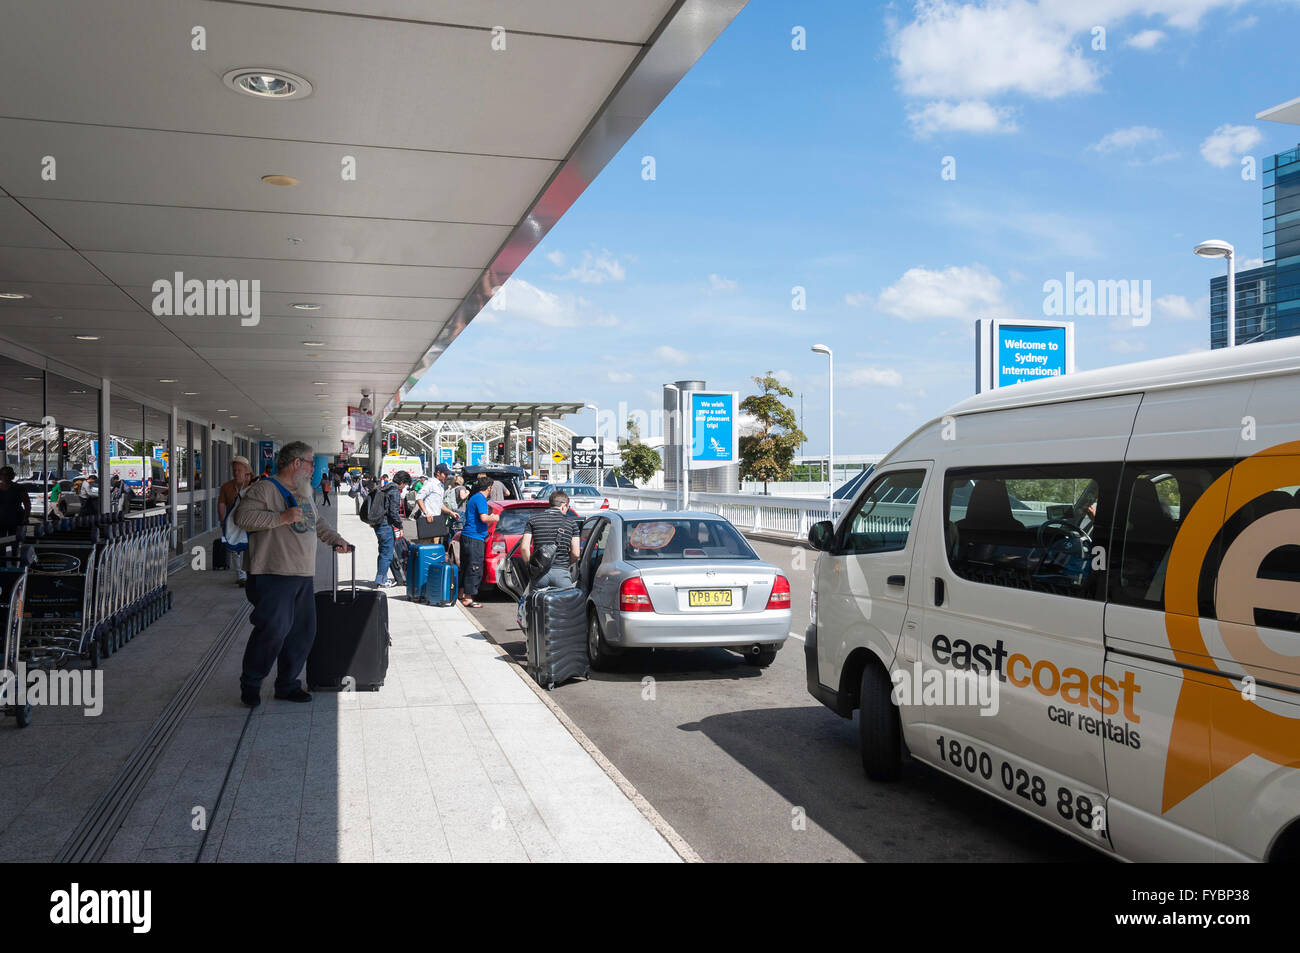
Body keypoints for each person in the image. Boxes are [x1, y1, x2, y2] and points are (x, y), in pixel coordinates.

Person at [233, 441, 352, 707]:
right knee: (274, 630)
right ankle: (251, 683)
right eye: (310, 463)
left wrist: (335, 539)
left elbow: (316, 522)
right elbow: (243, 518)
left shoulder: (304, 491)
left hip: (301, 574)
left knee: (302, 633)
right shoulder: (264, 489)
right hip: (272, 573)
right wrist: (281, 518)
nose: (313, 469)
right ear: (296, 463)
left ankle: (287, 684)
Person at [517, 489, 581, 617]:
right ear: (563, 505)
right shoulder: (571, 523)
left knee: (536, 611)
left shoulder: (533, 520)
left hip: (539, 574)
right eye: (567, 507)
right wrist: (565, 564)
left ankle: (536, 635)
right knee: (565, 613)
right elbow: (576, 553)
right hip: (561, 573)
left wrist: (531, 566)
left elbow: (524, 548)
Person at [458, 474, 499, 609]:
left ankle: (462, 593)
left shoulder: (473, 497)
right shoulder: (481, 499)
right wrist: (494, 517)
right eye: (491, 488)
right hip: (474, 537)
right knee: (474, 567)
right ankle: (468, 598)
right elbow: (484, 518)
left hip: (467, 536)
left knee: (465, 567)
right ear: (489, 488)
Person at [218, 455, 254, 586]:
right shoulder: (226, 487)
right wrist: (222, 521)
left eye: (239, 470)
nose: (236, 472)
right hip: (232, 524)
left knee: (248, 547)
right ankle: (241, 575)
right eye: (234, 470)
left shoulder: (253, 486)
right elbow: (221, 504)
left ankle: (249, 572)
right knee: (235, 548)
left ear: (247, 471)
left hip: (250, 523)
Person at [372, 470, 409, 589]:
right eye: (405, 485)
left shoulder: (385, 488)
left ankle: (381, 577)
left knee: (383, 552)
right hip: (385, 525)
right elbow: (394, 512)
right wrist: (400, 526)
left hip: (378, 524)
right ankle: (381, 580)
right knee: (387, 553)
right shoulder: (394, 491)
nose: (404, 488)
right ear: (402, 482)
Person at [415, 463, 459, 533]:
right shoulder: (430, 483)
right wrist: (426, 513)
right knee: (427, 543)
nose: (447, 477)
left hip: (437, 519)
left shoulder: (440, 486)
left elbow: (440, 504)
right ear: (438, 473)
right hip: (427, 520)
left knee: (436, 543)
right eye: (445, 474)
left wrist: (450, 512)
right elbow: (419, 498)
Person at [0, 467, 31, 544]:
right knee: (1, 543)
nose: (5, 477)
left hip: (15, 520)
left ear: (12, 476)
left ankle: (14, 554)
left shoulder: (19, 488)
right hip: (1, 521)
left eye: (7, 474)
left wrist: (26, 517)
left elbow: (27, 503)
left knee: (15, 542)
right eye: (2, 474)